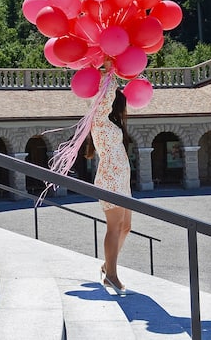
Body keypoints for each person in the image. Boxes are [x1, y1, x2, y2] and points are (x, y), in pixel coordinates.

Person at [85, 75, 132, 295]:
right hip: (110, 180)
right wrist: (110, 72)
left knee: (125, 227)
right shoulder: (100, 121)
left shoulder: (112, 124)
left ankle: (107, 264)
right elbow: (104, 99)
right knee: (114, 227)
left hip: (122, 180)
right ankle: (111, 275)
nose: (126, 112)